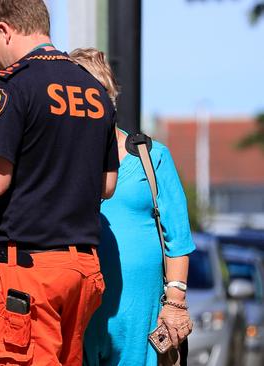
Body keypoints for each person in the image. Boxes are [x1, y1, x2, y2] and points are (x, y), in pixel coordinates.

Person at [0, 1, 119, 364]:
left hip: (29, 271)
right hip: (82, 270)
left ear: (3, 30)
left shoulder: (9, 85)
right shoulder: (93, 89)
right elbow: (107, 185)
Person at [69, 48, 195, 366]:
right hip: (77, 314)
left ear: (110, 99)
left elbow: (177, 238)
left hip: (141, 317)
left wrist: (175, 303)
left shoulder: (152, 158)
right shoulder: (58, 165)